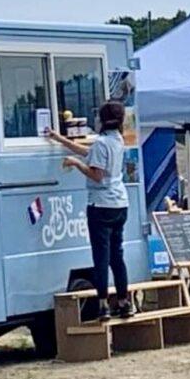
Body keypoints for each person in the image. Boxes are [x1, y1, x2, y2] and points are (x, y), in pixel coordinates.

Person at [46, 101, 131, 321]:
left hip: (101, 204)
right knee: (117, 255)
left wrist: (75, 163)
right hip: (120, 203)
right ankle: (124, 302)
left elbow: (96, 174)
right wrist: (60, 139)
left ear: (102, 120)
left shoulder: (102, 143)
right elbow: (90, 152)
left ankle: (102, 305)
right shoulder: (116, 140)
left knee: (101, 257)